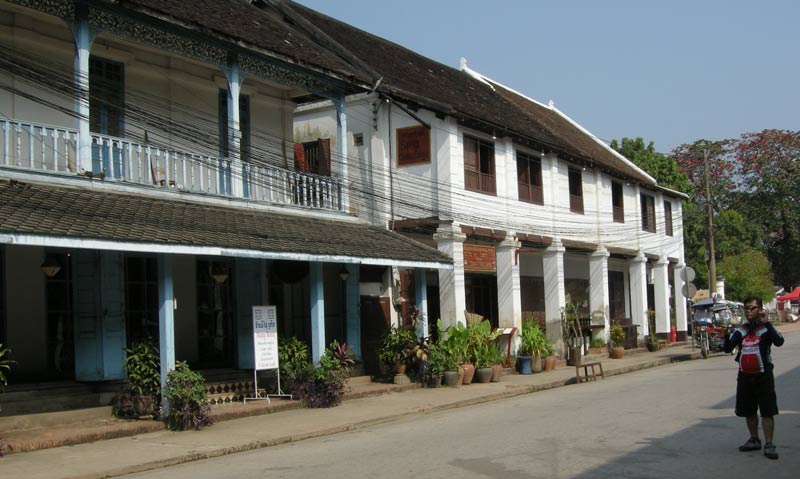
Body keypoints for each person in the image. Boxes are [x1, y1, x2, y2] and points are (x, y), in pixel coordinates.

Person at [724, 296, 784, 460]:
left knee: (767, 411)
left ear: (760, 309)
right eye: (746, 308)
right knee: (749, 411)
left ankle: (769, 443)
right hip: (745, 376)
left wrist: (768, 323)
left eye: (752, 308)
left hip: (763, 376)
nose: (748, 311)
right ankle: (754, 439)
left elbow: (779, 342)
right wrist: (726, 333)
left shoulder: (766, 329)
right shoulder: (741, 330)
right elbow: (727, 348)